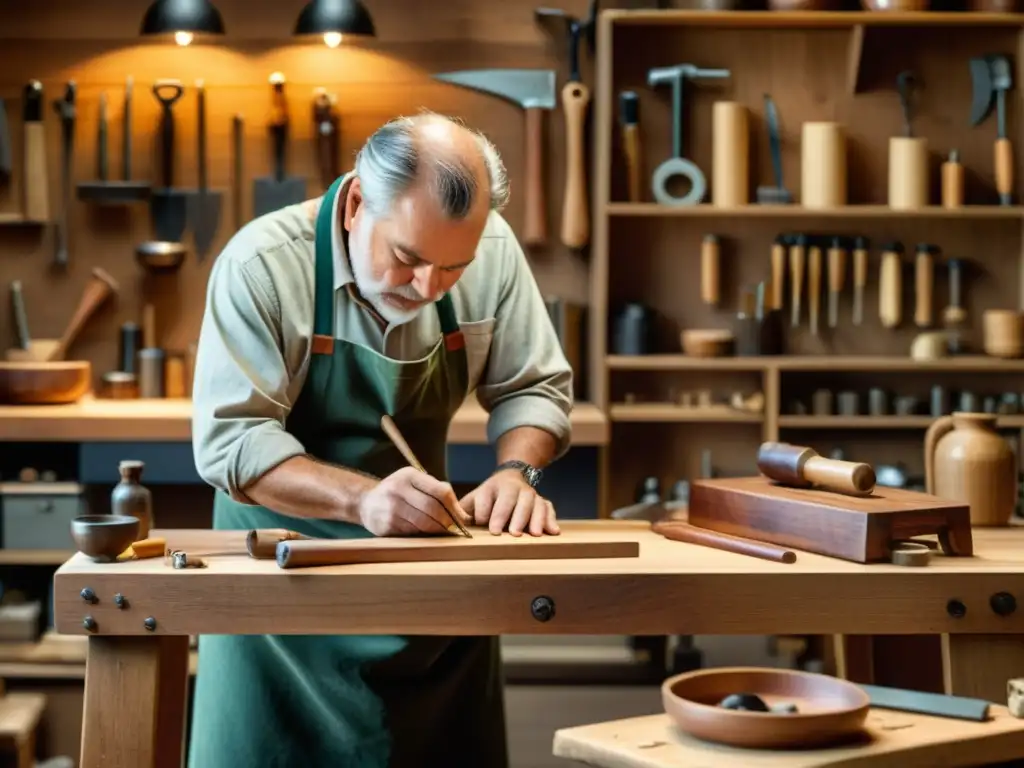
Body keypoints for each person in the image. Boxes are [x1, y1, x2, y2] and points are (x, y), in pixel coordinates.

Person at [187, 113, 574, 768]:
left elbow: (533, 390)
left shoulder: (496, 249)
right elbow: (231, 442)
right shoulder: (261, 266)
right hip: (282, 612)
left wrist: (515, 473)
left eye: (455, 267)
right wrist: (364, 502)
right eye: (408, 258)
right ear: (358, 202)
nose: (428, 288)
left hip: (436, 607)